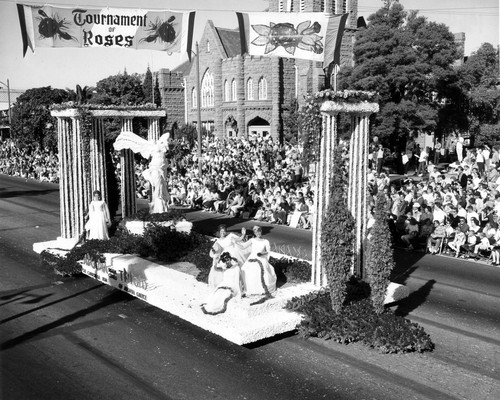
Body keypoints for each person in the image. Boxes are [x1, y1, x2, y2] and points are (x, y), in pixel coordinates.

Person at [237, 226, 277, 297]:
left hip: (261, 258)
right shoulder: (252, 240)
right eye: (256, 232)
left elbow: (268, 252)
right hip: (252, 257)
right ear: (254, 233)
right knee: (245, 269)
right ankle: (250, 288)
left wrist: (262, 254)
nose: (258, 233)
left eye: (259, 231)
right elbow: (243, 246)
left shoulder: (265, 241)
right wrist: (242, 235)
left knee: (260, 270)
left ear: (261, 231)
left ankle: (261, 289)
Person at [208, 225, 249, 290]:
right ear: (219, 232)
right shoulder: (218, 241)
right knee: (227, 271)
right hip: (225, 256)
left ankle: (238, 286)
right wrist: (215, 254)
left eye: (224, 231)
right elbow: (215, 250)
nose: (223, 233)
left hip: (233, 254)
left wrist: (243, 234)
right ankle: (229, 285)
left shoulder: (230, 237)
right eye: (221, 231)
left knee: (236, 269)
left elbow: (238, 239)